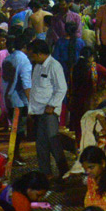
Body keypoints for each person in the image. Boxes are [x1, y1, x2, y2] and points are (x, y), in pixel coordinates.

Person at [26, 39, 68, 181]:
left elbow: (61, 88)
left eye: (32, 55)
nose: (31, 58)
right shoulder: (37, 66)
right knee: (41, 145)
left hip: (49, 112)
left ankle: (64, 172)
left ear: (39, 54)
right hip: (38, 111)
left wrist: (52, 105)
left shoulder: (54, 66)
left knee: (53, 142)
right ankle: (46, 173)